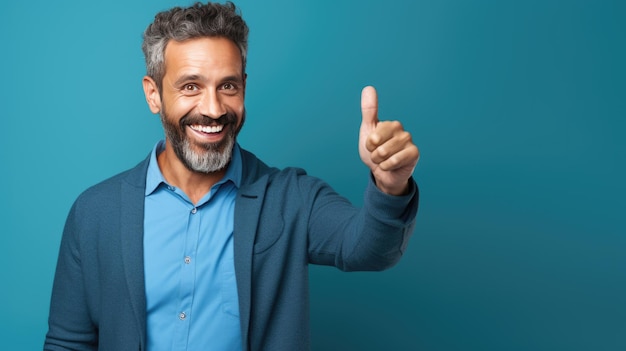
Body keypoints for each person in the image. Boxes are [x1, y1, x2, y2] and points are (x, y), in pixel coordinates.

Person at [44, 2, 420, 350]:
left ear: (243, 86)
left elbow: (368, 249)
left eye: (228, 86)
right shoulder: (95, 212)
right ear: (153, 94)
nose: (213, 109)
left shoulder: (290, 197)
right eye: (191, 86)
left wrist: (390, 185)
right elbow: (68, 342)